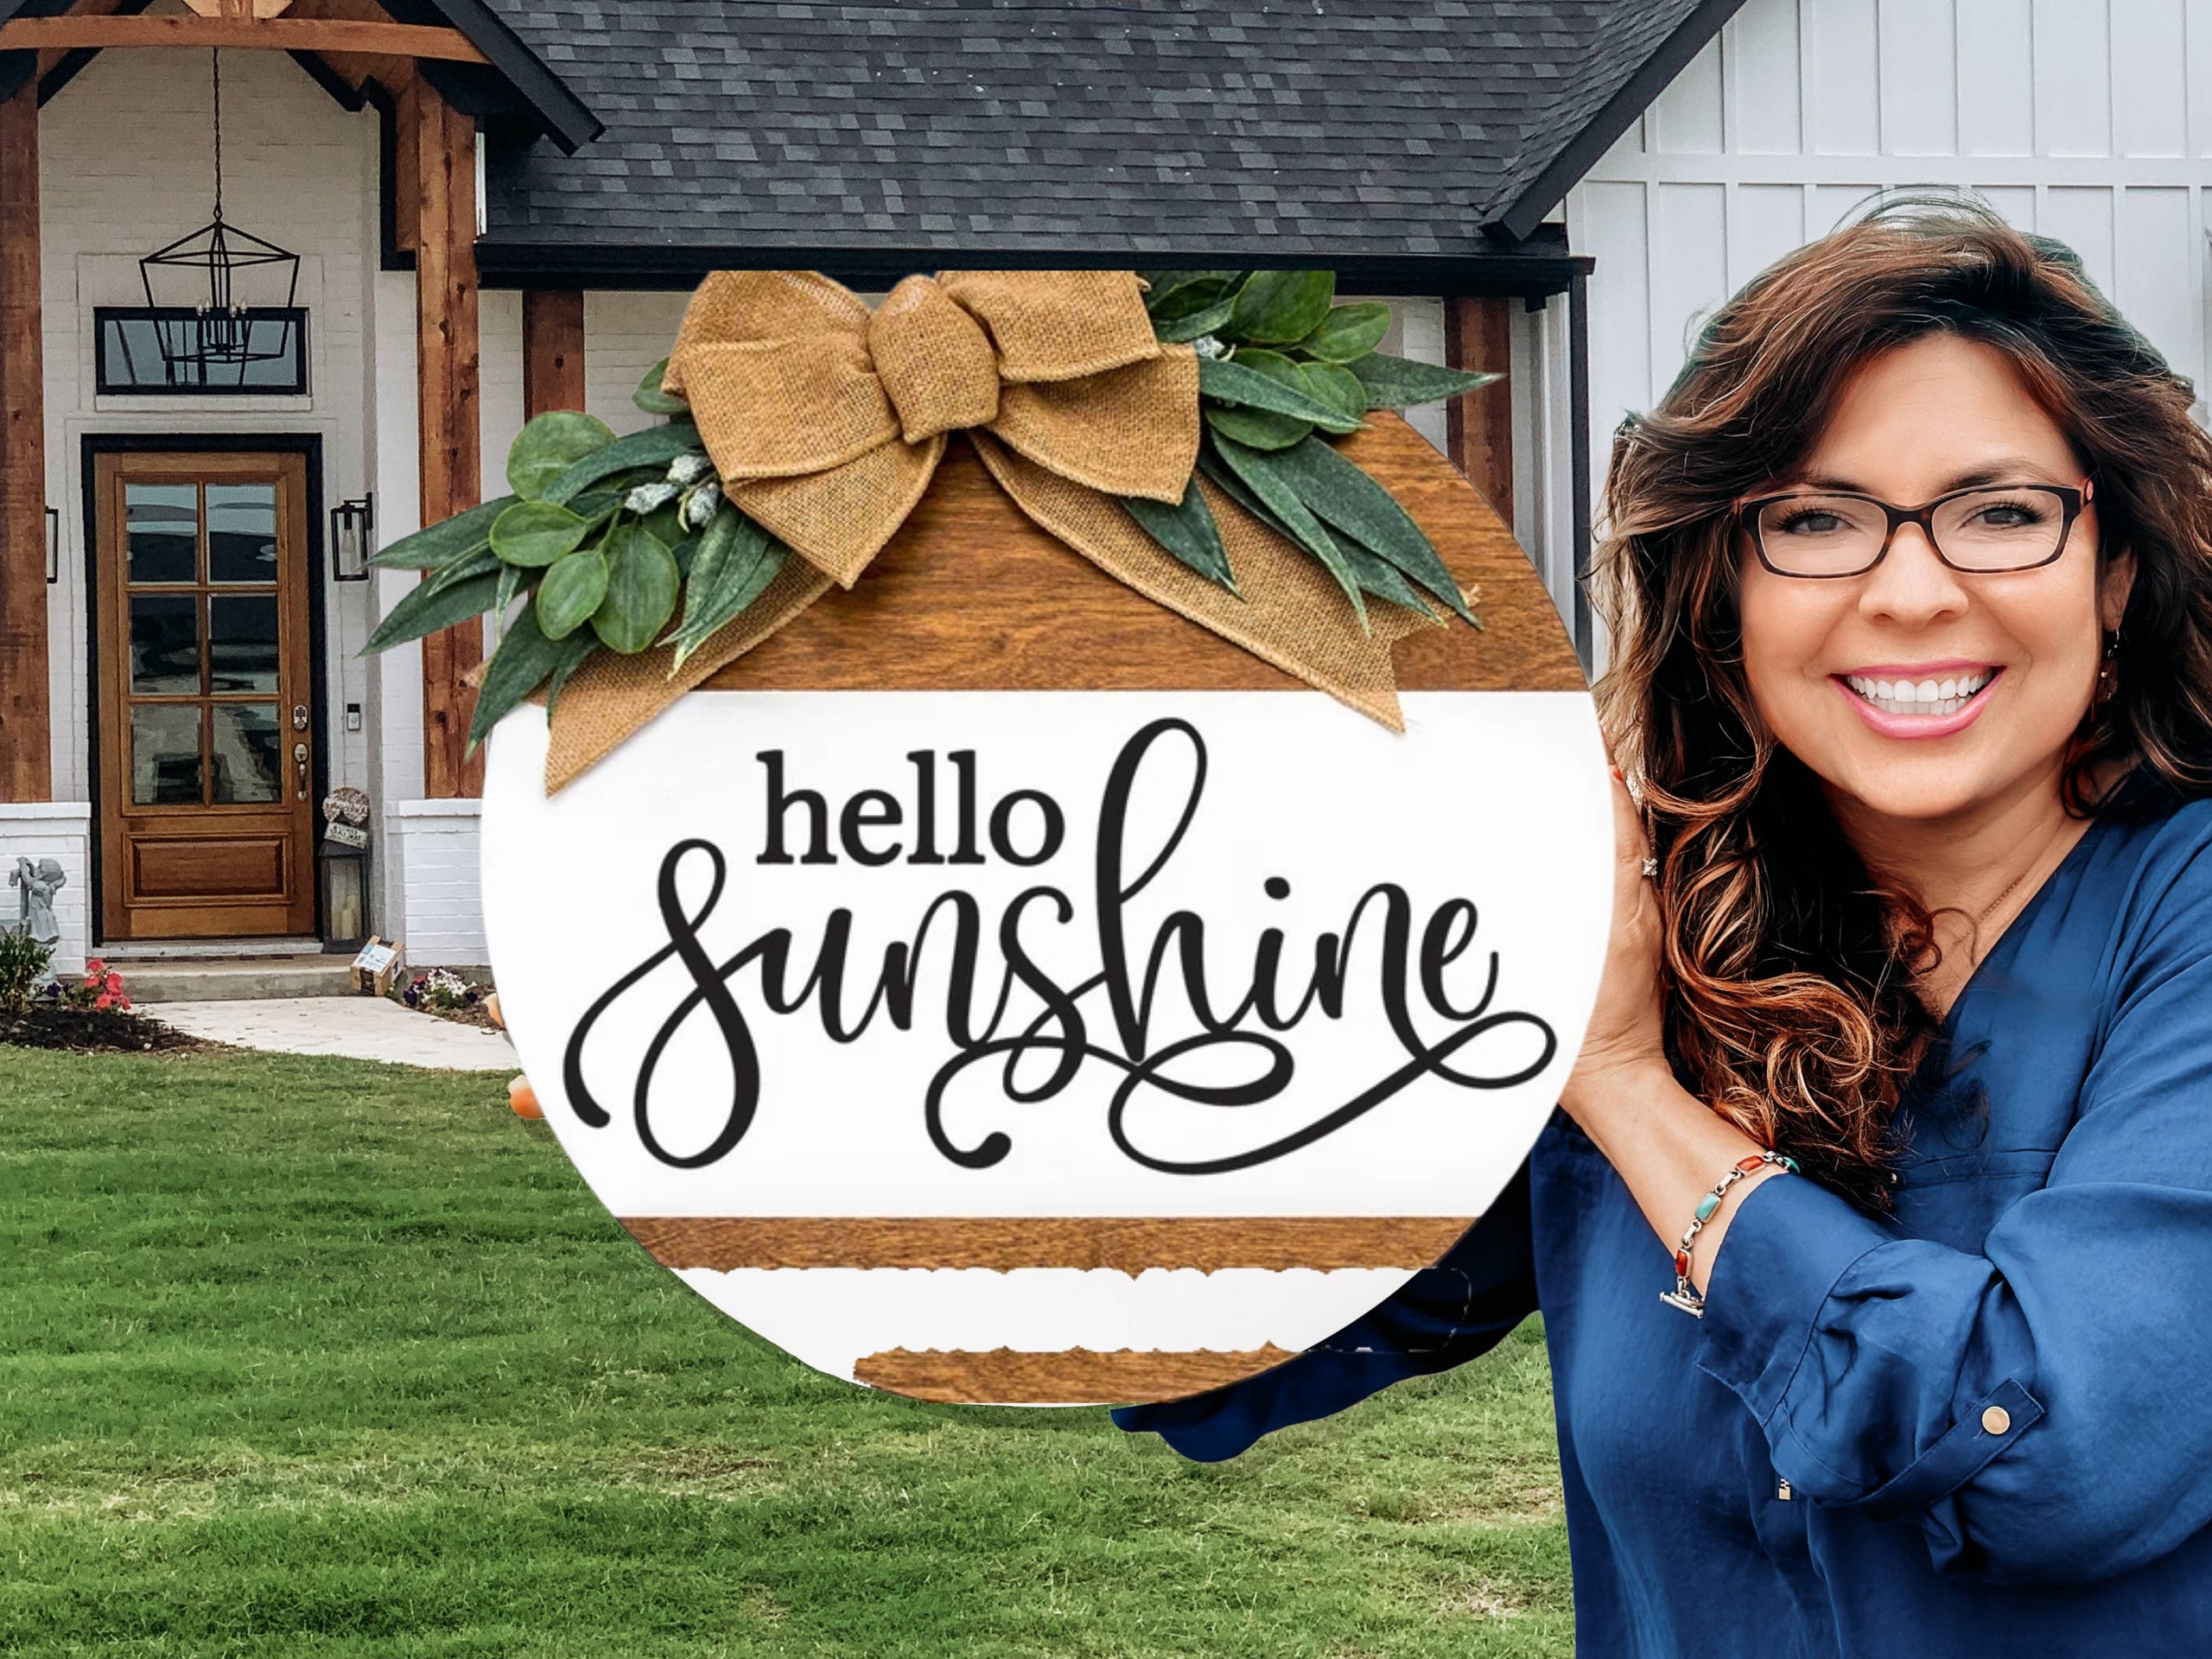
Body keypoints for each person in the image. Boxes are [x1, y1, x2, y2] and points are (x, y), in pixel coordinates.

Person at [1113, 194, 2212, 1656]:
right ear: (1724, 594)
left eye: (2001, 513)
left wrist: (1629, 1090)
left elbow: (2047, 1457)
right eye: (1815, 521)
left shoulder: (2176, 926)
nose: (1909, 591)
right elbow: (1221, 1341)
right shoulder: (1650, 928)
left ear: (2116, 572)